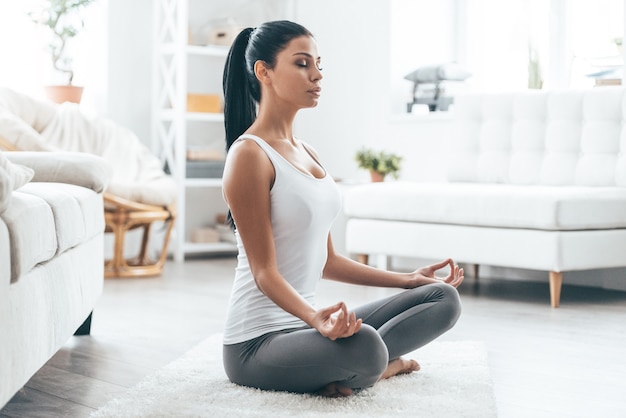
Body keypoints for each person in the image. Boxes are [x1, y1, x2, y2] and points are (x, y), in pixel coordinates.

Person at [221, 20, 464, 398]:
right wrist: (316, 318)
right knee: (366, 344)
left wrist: (409, 278)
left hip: (306, 330)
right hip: (256, 343)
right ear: (263, 71)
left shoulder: (308, 152)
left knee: (442, 299)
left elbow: (328, 260)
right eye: (302, 64)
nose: (317, 75)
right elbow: (264, 272)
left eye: (319, 64)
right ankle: (376, 365)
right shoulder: (248, 155)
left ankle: (352, 369)